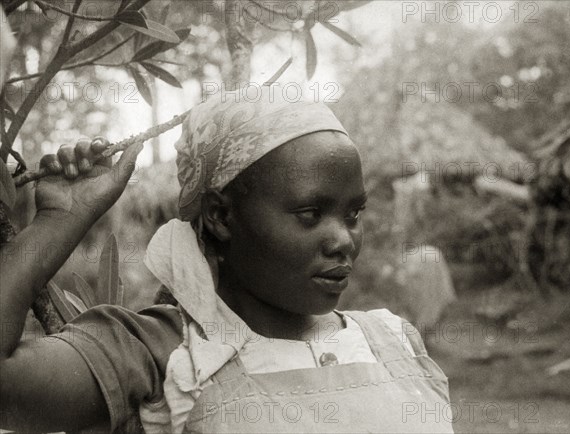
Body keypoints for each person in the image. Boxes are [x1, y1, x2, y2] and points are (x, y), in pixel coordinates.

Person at [0, 86, 453, 433]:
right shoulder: (158, 352)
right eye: (310, 214)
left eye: (353, 215)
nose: (343, 241)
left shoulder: (393, 341)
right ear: (220, 215)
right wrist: (57, 223)